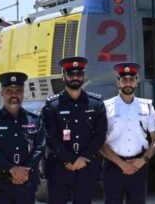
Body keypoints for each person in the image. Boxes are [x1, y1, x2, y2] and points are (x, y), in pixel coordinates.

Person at [42, 56, 109, 204]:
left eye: (79, 74)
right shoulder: (52, 105)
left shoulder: (96, 104)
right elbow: (49, 137)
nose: (75, 78)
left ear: (84, 76)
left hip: (86, 167)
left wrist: (83, 158)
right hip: (59, 168)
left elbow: (100, 135)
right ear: (63, 76)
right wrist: (71, 159)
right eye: (71, 74)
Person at [0, 72, 46, 204]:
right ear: (2, 92)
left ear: (23, 93)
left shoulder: (35, 119)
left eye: (18, 91)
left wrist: (23, 171)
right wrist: (12, 169)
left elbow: (40, 147)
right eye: (9, 91)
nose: (14, 95)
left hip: (26, 183)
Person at [101, 62, 155, 204]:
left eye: (131, 80)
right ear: (118, 82)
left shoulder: (147, 107)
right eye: (124, 80)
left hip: (138, 165)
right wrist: (121, 164)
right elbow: (100, 142)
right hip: (113, 166)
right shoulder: (106, 107)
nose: (128, 83)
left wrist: (142, 160)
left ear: (136, 82)